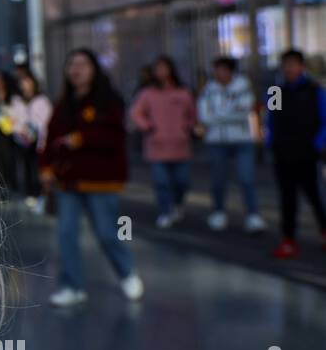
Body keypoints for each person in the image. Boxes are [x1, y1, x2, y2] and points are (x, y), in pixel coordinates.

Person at [40, 49, 144, 306]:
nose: (76, 69)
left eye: (82, 64)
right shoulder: (64, 104)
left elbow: (115, 137)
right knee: (66, 234)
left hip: (101, 180)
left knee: (108, 232)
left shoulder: (109, 101)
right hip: (68, 181)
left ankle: (126, 272)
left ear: (94, 69)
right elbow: (51, 138)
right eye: (72, 64)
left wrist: (81, 139)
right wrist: (46, 167)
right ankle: (73, 285)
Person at [265, 49, 326, 258]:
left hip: (307, 152)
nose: (289, 69)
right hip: (283, 152)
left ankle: (323, 231)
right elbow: (271, 120)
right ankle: (288, 239)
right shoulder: (276, 91)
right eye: (286, 65)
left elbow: (324, 120)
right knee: (287, 198)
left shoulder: (315, 90)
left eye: (293, 64)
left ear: (302, 67)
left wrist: (317, 143)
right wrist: (271, 142)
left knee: (314, 195)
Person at [196, 55, 265, 233]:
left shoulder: (243, 87)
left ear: (231, 71)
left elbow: (245, 111)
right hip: (217, 141)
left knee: (246, 179)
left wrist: (219, 115)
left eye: (223, 69)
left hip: (242, 139)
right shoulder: (208, 90)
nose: (220, 73)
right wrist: (229, 113)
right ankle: (218, 212)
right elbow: (204, 116)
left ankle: (253, 215)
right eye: (217, 70)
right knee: (218, 180)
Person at [129, 55, 197, 228]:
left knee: (182, 181)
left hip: (180, 145)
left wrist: (187, 128)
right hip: (156, 145)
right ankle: (165, 211)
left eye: (164, 68)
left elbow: (192, 114)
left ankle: (176, 204)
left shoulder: (182, 92)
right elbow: (135, 113)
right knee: (161, 182)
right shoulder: (148, 93)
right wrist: (148, 126)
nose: (161, 72)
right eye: (158, 69)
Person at [10, 66, 53, 212]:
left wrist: (42, 138)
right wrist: (19, 129)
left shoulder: (42, 100)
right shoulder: (16, 100)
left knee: (38, 168)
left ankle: (41, 195)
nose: (24, 84)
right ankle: (29, 194)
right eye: (22, 82)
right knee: (26, 167)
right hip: (21, 139)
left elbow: (47, 121)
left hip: (39, 140)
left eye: (27, 81)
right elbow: (13, 119)